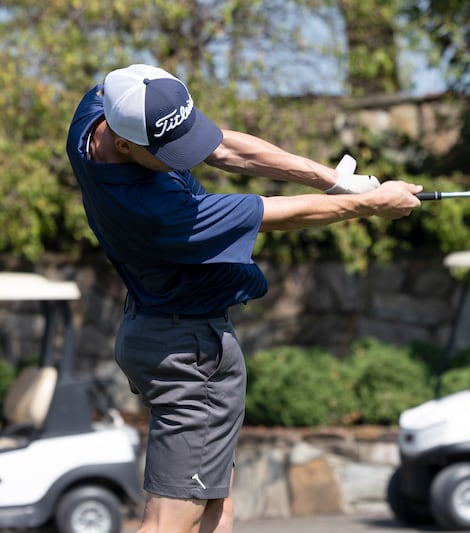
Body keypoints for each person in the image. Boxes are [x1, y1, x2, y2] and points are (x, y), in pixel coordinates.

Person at [65, 63, 422, 533]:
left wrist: (333, 179)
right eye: (170, 151)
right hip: (189, 357)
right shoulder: (152, 209)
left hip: (164, 333)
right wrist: (368, 205)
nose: (186, 157)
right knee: (169, 522)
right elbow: (276, 214)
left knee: (216, 512)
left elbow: (225, 147)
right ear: (126, 144)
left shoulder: (98, 114)